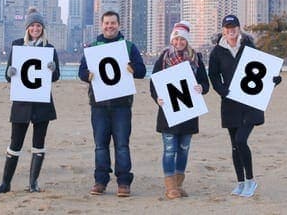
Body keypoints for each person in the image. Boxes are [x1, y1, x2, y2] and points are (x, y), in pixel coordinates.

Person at [208, 14, 281, 198]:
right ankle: (240, 183)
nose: (231, 31)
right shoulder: (217, 52)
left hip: (250, 103)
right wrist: (222, 91)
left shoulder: (248, 46)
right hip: (230, 103)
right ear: (223, 30)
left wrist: (274, 80)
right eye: (227, 28)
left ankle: (250, 180)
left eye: (234, 27)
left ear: (239, 29)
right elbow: (214, 76)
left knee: (241, 140)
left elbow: (261, 70)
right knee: (234, 146)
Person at [78, 11, 146, 197]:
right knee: (100, 145)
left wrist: (133, 68)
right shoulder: (92, 47)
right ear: (101, 25)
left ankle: (124, 182)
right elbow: (82, 71)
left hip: (122, 105)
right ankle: (100, 180)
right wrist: (87, 75)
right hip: (99, 105)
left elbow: (141, 70)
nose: (110, 26)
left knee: (122, 144)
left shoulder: (129, 46)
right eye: (107, 23)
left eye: (113, 23)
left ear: (119, 25)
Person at [0, 7, 60, 194]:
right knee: (15, 143)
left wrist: (52, 69)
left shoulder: (49, 49)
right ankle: (5, 184)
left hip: (42, 104)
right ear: (27, 28)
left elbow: (55, 77)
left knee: (39, 143)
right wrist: (9, 72)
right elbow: (8, 76)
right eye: (32, 25)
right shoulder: (17, 46)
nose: (35, 29)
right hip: (21, 104)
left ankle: (33, 183)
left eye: (38, 25)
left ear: (42, 28)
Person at [150, 21, 210, 199]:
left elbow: (205, 83)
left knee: (184, 148)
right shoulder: (164, 58)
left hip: (188, 112)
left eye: (182, 39)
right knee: (170, 149)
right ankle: (170, 187)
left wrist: (201, 88)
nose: (179, 42)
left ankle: (178, 183)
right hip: (168, 112)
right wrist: (157, 98)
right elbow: (154, 82)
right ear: (172, 40)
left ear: (187, 41)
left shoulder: (196, 59)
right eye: (176, 39)